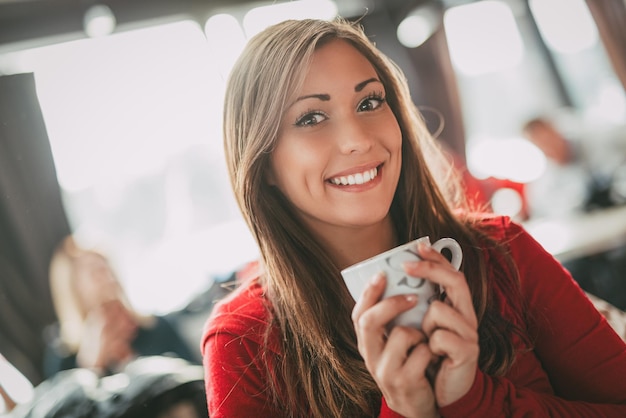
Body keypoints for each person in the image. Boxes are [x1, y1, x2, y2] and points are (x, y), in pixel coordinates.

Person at [201, 18, 626, 417]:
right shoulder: (242, 340)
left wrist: (473, 398)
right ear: (263, 163)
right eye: (311, 117)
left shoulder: (501, 250)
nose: (358, 140)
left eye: (369, 102)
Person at [43, 235, 198, 378]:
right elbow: (77, 407)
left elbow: (196, 376)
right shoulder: (63, 362)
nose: (109, 278)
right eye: (96, 272)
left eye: (107, 268)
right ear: (73, 288)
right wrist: (93, 364)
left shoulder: (155, 327)